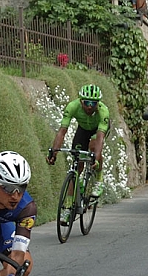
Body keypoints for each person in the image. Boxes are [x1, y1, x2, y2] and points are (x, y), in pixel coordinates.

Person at [46, 84, 110, 225]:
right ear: (81, 101)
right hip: (83, 129)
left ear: (98, 103)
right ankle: (68, 207)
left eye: (93, 103)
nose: (89, 106)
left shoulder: (103, 112)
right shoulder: (72, 106)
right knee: (76, 166)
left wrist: (96, 158)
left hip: (97, 132)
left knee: (94, 147)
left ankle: (98, 179)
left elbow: (100, 138)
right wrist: (54, 151)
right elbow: (62, 132)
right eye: (86, 102)